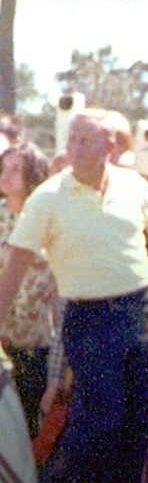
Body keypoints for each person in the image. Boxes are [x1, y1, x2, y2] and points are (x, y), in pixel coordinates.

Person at [0, 109, 148, 483]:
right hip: (89, 316)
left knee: (139, 418)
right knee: (100, 419)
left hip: (143, 309)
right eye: (71, 138)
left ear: (110, 148)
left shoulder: (134, 185)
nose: (72, 148)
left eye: (84, 140)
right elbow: (16, 265)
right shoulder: (47, 197)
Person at [0, 141, 55, 436]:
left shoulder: (45, 217)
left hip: (35, 337)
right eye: (4, 168)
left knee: (27, 423)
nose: (6, 176)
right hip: (2, 338)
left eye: (16, 169)